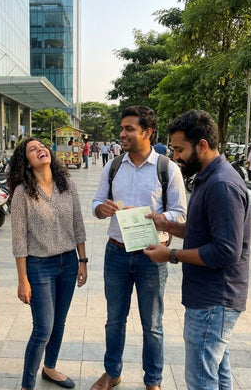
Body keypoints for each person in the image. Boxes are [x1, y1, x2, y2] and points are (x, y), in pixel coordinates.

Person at [144, 110, 251, 390]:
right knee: (217, 374)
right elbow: (203, 231)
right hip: (210, 298)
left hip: (214, 300)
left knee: (201, 380)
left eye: (180, 149)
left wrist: (170, 255)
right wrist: (167, 224)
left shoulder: (221, 185)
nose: (176, 156)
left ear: (202, 145)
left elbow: (225, 251)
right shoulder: (208, 177)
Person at [91, 106, 187, 390]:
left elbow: (180, 214)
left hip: (151, 255)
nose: (123, 134)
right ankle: (112, 372)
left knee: (152, 324)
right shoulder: (113, 166)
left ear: (147, 132)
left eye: (129, 129)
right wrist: (101, 209)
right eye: (122, 128)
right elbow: (96, 202)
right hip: (116, 253)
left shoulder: (167, 169)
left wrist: (158, 217)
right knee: (114, 320)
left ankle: (153, 381)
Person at [8, 138, 88, 390]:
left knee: (59, 322)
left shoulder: (67, 184)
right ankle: (27, 385)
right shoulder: (22, 193)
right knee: (43, 328)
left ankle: (50, 367)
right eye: (32, 149)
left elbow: (78, 224)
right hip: (39, 266)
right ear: (26, 162)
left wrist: (83, 260)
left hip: (69, 263)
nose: (40, 150)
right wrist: (22, 280)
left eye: (42, 146)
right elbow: (19, 239)